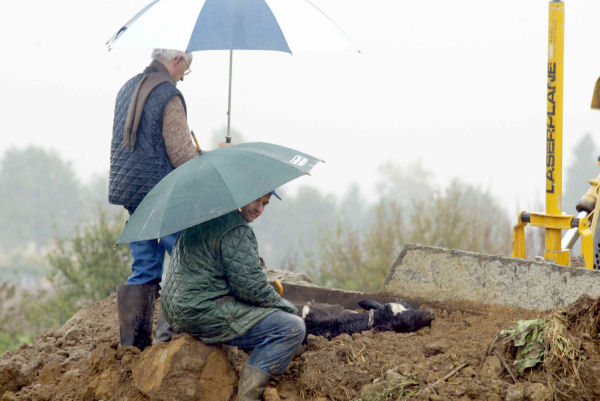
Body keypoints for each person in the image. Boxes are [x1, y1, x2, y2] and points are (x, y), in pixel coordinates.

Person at [161, 192, 305, 401]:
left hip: (175, 310)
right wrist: (287, 307)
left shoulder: (202, 216)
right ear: (240, 194)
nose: (259, 209)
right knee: (291, 327)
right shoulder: (236, 228)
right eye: (256, 200)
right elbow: (250, 287)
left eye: (265, 203)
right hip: (201, 311)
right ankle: (248, 396)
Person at [109, 48, 201, 350]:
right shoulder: (167, 95)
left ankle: (132, 350)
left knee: (145, 268)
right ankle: (167, 343)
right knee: (187, 262)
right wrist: (208, 158)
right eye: (184, 71)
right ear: (176, 61)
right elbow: (181, 154)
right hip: (164, 196)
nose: (182, 78)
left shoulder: (127, 87)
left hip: (134, 197)